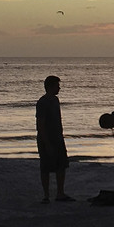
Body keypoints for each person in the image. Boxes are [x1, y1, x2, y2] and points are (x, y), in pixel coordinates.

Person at [36, 75, 73, 203]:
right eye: (57, 86)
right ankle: (46, 195)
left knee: (61, 165)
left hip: (58, 137)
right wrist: (46, 143)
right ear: (50, 87)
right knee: (45, 167)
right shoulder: (42, 102)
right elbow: (40, 124)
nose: (59, 88)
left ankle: (60, 193)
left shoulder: (55, 100)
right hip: (47, 139)